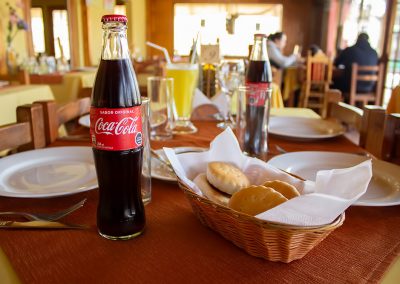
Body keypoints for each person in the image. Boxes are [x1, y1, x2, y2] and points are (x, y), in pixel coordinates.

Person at [333, 33, 379, 100]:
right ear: (368, 40)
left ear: (357, 39)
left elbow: (337, 63)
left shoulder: (350, 50)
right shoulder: (374, 53)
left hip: (351, 86)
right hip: (369, 87)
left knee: (334, 82)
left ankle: (340, 107)